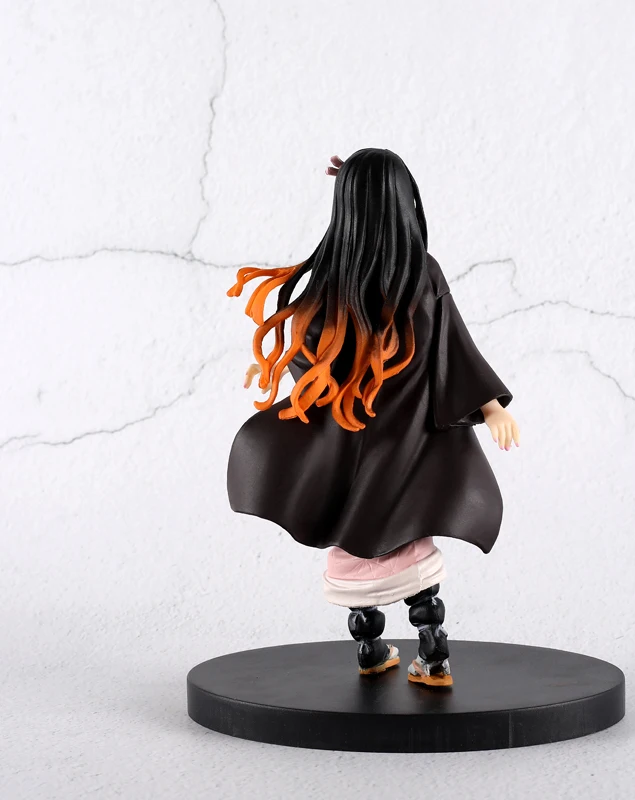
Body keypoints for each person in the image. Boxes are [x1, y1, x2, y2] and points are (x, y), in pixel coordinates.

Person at [227, 149, 519, 687]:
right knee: (402, 546)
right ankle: (424, 654)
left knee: (360, 541)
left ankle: (382, 652)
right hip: (384, 447)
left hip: (383, 447)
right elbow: (318, 351)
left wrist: (491, 404)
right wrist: (298, 377)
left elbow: (450, 347)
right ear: (404, 202)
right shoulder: (402, 275)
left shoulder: (390, 276)